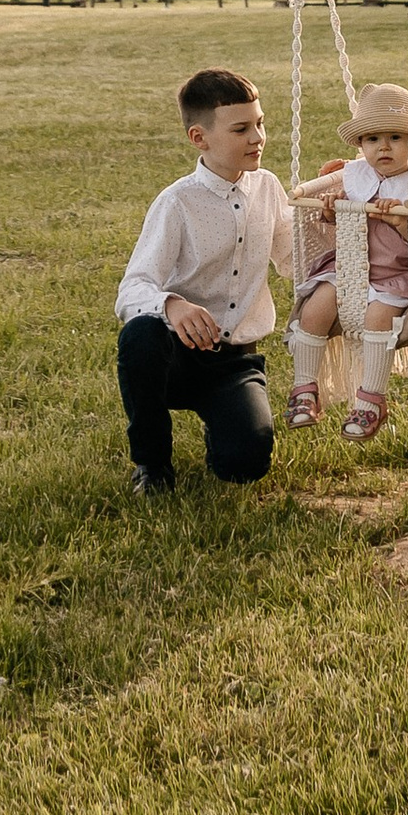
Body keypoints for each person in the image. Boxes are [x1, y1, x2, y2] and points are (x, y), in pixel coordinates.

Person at [112, 67, 292, 495]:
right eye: (241, 129)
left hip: (233, 362)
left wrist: (333, 199)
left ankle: (225, 428)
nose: (257, 138)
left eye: (260, 123)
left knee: (244, 465)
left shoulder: (267, 187)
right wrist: (172, 304)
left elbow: (296, 262)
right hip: (175, 355)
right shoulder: (177, 203)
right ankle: (153, 466)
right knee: (140, 335)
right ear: (199, 138)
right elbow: (131, 290)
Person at [285, 80, 408, 446]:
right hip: (350, 269)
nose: (384, 147)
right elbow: (338, 223)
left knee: (378, 318)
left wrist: (403, 222)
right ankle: (305, 388)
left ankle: (370, 399)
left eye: (395, 137)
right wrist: (331, 210)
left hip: (395, 274)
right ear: (361, 146)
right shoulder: (353, 176)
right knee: (314, 310)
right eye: (373, 139)